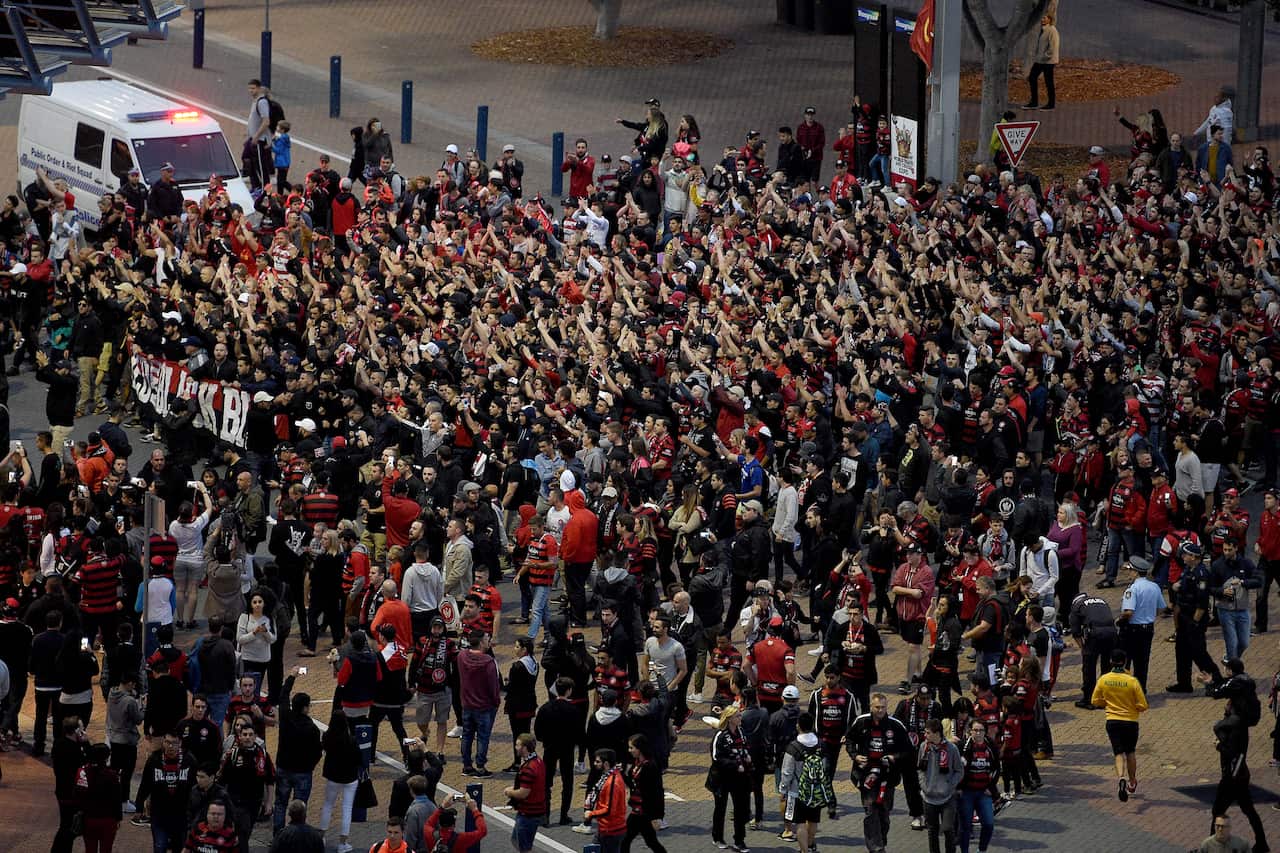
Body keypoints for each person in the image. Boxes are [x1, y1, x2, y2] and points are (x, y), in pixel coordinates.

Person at [847, 693, 913, 853]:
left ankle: (880, 840)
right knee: (871, 812)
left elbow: (908, 750)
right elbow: (849, 739)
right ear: (871, 706)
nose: (880, 710)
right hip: (866, 776)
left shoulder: (895, 726)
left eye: (883, 707)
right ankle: (876, 848)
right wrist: (855, 756)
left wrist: (893, 757)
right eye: (877, 707)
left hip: (887, 778)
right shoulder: (861, 721)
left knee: (884, 815)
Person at [1091, 649, 1148, 802]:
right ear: (1124, 662)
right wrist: (1132, 707)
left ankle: (1121, 777)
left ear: (1111, 661)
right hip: (1130, 721)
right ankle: (1132, 781)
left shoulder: (1104, 679)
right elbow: (1143, 705)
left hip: (1112, 721)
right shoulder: (1132, 681)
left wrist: (1108, 704)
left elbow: (1095, 701)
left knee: (1118, 753)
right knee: (1130, 752)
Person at [777, 712, 836, 853]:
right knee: (813, 820)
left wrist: (783, 790)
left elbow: (787, 772)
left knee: (800, 823)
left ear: (798, 726)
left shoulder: (793, 747)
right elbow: (825, 767)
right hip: (815, 790)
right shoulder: (821, 745)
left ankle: (804, 851)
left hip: (796, 791)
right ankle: (810, 845)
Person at [134, 730, 197, 849]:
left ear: (180, 743)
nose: (171, 746)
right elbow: (145, 785)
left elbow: (195, 788)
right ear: (163, 742)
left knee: (178, 847)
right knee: (160, 846)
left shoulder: (189, 760)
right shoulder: (154, 759)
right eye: (168, 742)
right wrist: (139, 806)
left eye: (175, 743)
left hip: (181, 816)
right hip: (159, 814)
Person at [317, 708, 362, 853]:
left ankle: (321, 837)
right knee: (347, 808)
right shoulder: (352, 740)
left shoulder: (327, 737)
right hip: (350, 778)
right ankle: (343, 844)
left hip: (333, 777)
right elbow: (359, 759)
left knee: (328, 805)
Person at [458, 629, 500, 777]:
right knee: (483, 737)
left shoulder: (462, 656)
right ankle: (480, 767)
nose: (489, 640)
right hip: (484, 706)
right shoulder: (488, 662)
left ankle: (467, 765)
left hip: (467, 704)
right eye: (487, 638)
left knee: (467, 735)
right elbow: (493, 686)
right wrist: (496, 702)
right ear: (481, 642)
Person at [956, 717, 1000, 853]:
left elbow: (996, 769)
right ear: (970, 731)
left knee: (988, 824)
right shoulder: (963, 746)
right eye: (975, 730)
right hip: (967, 792)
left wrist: (990, 788)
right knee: (965, 827)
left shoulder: (990, 746)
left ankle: (981, 850)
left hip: (983, 792)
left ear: (985, 732)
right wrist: (958, 788)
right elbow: (957, 769)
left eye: (981, 730)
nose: (978, 733)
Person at [1117, 556, 1161, 692]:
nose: (1128, 573)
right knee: (1142, 662)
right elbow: (1161, 608)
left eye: (1130, 570)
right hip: (1148, 628)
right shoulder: (1154, 586)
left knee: (1125, 660)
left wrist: (1119, 619)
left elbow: (1129, 612)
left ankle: (1126, 690)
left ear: (1135, 572)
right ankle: (1140, 690)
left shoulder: (1133, 589)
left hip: (1132, 629)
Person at [624, 733, 668, 853]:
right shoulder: (636, 763)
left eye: (632, 748)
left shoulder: (650, 766)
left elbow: (657, 792)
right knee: (650, 841)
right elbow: (633, 783)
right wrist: (623, 774)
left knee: (625, 840)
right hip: (638, 809)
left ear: (640, 748)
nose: (629, 750)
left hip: (644, 811)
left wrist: (657, 816)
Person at [505, 732, 547, 853]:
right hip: (536, 809)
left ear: (525, 748)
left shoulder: (529, 768)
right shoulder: (538, 761)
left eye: (518, 745)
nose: (515, 747)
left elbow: (523, 793)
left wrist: (509, 792)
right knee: (518, 841)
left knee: (524, 846)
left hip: (528, 812)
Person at [420, 793, 487, 853]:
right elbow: (482, 831)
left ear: (439, 823)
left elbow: (428, 823)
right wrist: (475, 809)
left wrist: (442, 806)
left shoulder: (429, 833)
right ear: (453, 825)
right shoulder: (461, 839)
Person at [1023, 13, 1060, 111]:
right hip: (1040, 60)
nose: (1042, 19)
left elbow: (1053, 47)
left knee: (1049, 82)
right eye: (1041, 17)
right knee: (1032, 78)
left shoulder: (1052, 30)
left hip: (1048, 61)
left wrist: (1044, 57)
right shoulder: (1043, 30)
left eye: (1044, 18)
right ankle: (1034, 102)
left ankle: (1051, 104)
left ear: (1049, 19)